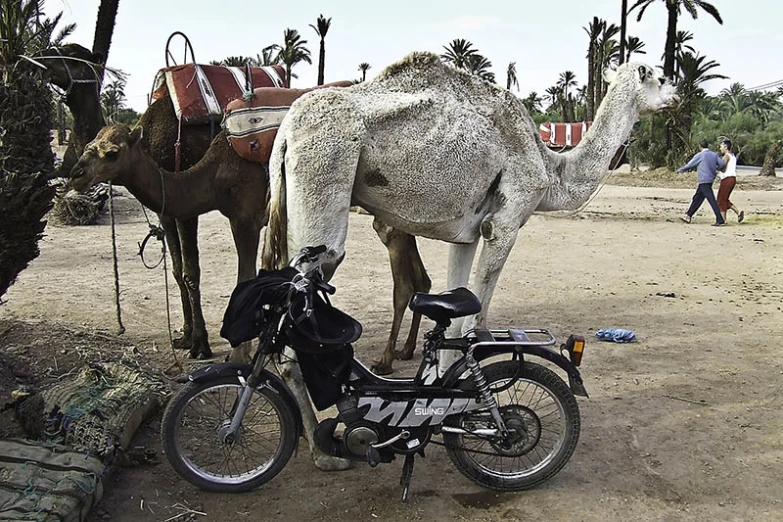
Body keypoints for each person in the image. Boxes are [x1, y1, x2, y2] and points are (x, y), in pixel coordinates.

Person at [677, 139, 727, 226]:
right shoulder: (714, 155)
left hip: (704, 180)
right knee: (697, 198)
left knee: (711, 200)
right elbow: (722, 164)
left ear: (700, 146)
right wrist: (716, 168)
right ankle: (688, 215)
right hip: (710, 179)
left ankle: (720, 219)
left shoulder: (700, 155)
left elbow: (690, 164)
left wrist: (681, 170)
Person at [716, 139, 745, 224]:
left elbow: (722, 166)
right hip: (732, 179)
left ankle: (723, 220)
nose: (720, 148)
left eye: (721, 146)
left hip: (727, 179)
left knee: (721, 200)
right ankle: (738, 212)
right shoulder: (732, 156)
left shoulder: (726, 156)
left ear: (725, 147)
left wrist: (716, 167)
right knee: (724, 199)